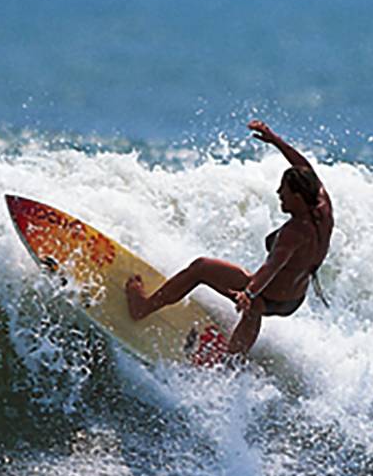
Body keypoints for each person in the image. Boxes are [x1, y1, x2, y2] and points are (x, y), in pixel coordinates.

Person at [126, 120, 333, 356]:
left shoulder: (293, 233)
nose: (278, 194)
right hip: (292, 301)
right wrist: (275, 141)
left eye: (283, 191)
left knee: (201, 268)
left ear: (297, 196)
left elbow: (271, 267)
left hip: (266, 293)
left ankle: (142, 307)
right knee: (255, 308)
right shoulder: (323, 210)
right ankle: (233, 363)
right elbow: (305, 168)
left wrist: (249, 292)